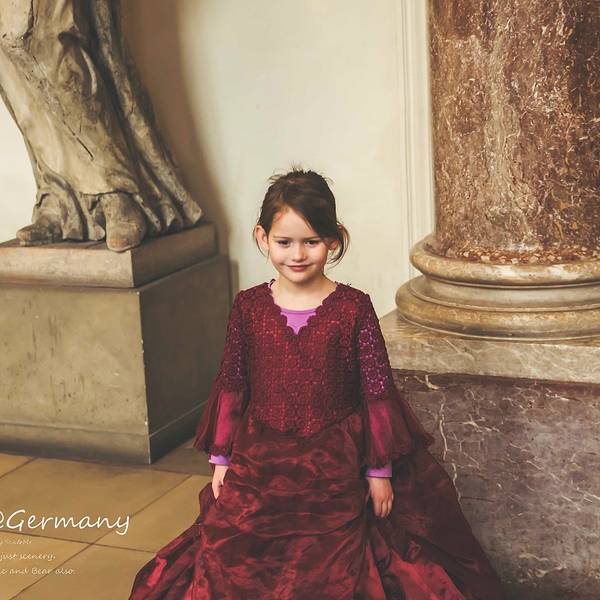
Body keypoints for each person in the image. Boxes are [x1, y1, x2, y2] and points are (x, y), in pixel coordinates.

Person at [129, 168, 505, 599]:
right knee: (238, 553)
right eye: (284, 242)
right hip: (260, 458)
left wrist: (378, 472)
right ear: (262, 238)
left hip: (335, 460)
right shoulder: (248, 307)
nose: (297, 254)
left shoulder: (353, 308)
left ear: (334, 239)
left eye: (311, 241)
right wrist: (221, 459)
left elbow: (376, 391)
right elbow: (233, 383)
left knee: (335, 562)